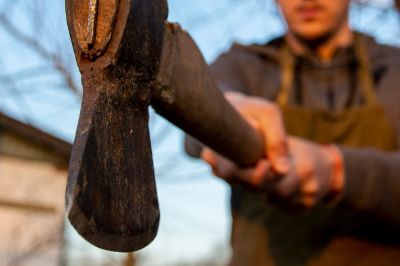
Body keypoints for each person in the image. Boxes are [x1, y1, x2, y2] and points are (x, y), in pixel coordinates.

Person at [176, 0, 400, 265]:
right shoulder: (243, 63)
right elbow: (199, 107)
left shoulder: (392, 68)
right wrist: (224, 119)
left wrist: (334, 169)